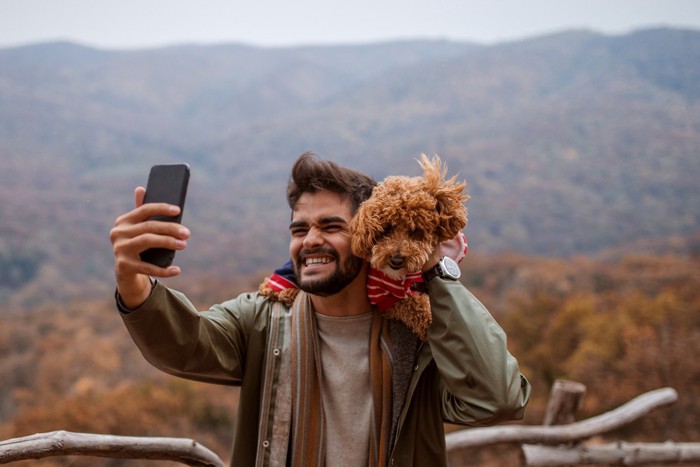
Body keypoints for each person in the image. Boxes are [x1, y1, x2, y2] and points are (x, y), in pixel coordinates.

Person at [110, 152, 531, 467]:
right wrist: (133, 281)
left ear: (370, 236)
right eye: (299, 229)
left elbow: (497, 399)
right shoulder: (264, 319)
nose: (310, 240)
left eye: (331, 227)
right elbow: (186, 346)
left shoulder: (419, 334)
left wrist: (435, 271)